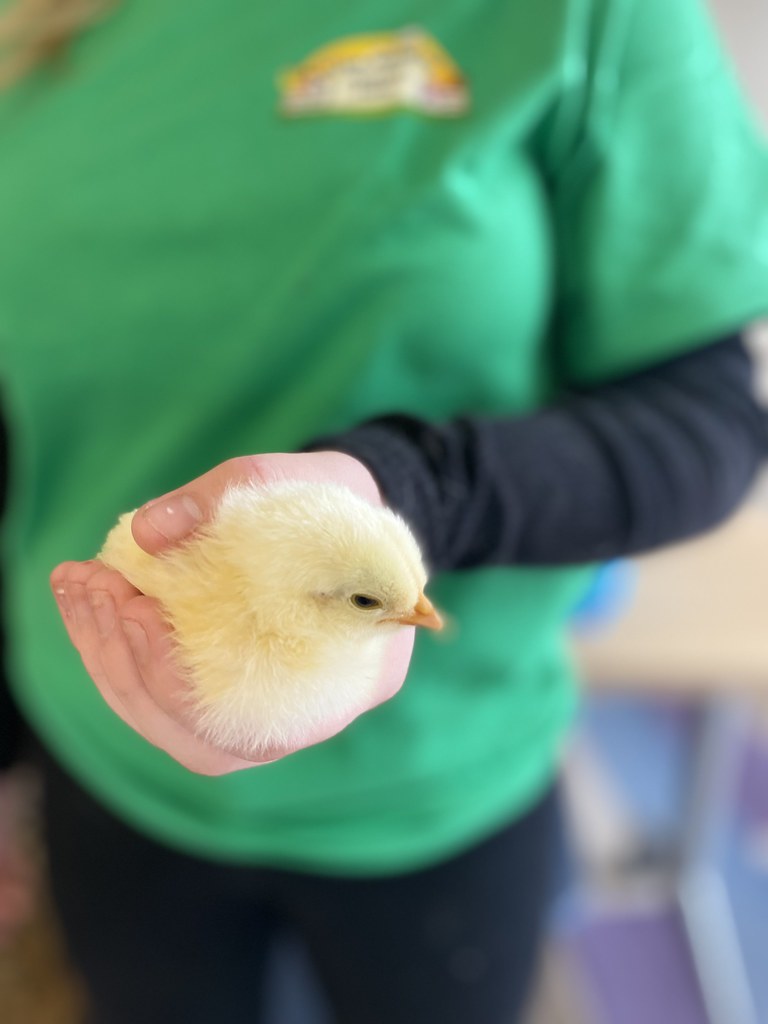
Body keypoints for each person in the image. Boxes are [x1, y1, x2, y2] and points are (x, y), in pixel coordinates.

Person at [1, 0, 767, 1020]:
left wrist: (411, 492)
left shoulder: (586, 17)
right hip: (96, 754)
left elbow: (702, 421)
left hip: (437, 791)